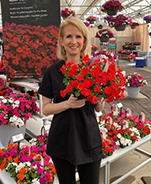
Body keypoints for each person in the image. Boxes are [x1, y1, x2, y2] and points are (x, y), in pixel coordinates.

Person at [38, 17, 105, 184]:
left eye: (78, 36)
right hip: (62, 138)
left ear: (84, 41)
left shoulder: (92, 69)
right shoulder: (52, 72)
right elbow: (45, 109)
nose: (73, 41)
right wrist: (67, 104)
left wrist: (100, 96)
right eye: (68, 36)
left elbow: (98, 108)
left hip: (88, 137)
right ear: (61, 40)